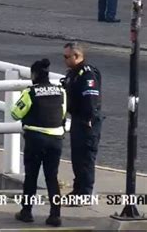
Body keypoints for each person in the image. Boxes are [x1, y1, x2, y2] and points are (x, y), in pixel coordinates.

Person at [11, 58, 66, 227]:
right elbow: (63, 114)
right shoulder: (60, 91)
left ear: (34, 74)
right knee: (52, 177)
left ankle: (26, 212)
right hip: (56, 139)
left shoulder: (30, 92)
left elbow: (15, 114)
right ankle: (55, 215)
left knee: (31, 177)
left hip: (35, 139)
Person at [61, 42, 102, 198]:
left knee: (86, 159)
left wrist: (89, 119)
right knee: (77, 158)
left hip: (88, 121)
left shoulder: (87, 74)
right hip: (78, 119)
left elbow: (91, 98)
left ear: (77, 56)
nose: (64, 60)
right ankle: (78, 189)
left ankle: (85, 193)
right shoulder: (73, 73)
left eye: (66, 56)